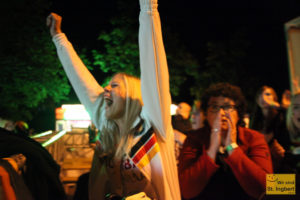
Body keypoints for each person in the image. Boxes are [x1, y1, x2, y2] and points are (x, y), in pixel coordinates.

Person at [47, 0, 181, 199]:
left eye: (114, 85)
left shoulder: (153, 125)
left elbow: (153, 66)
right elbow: (82, 82)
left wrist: (148, 7)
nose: (105, 89)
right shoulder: (107, 129)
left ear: (133, 96)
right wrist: (58, 38)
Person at [178, 83, 273, 200]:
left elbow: (266, 187)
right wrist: (212, 150)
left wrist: (231, 147)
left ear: (238, 113)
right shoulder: (194, 139)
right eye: (214, 107)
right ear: (206, 114)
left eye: (228, 107)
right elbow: (186, 190)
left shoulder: (253, 138)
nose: (221, 113)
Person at [250, 86, 291, 172]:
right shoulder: (254, 122)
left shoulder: (281, 117)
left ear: (274, 98)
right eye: (260, 95)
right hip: (261, 167)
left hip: (281, 168)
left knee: (286, 183)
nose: (263, 97)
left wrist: (280, 106)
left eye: (268, 94)